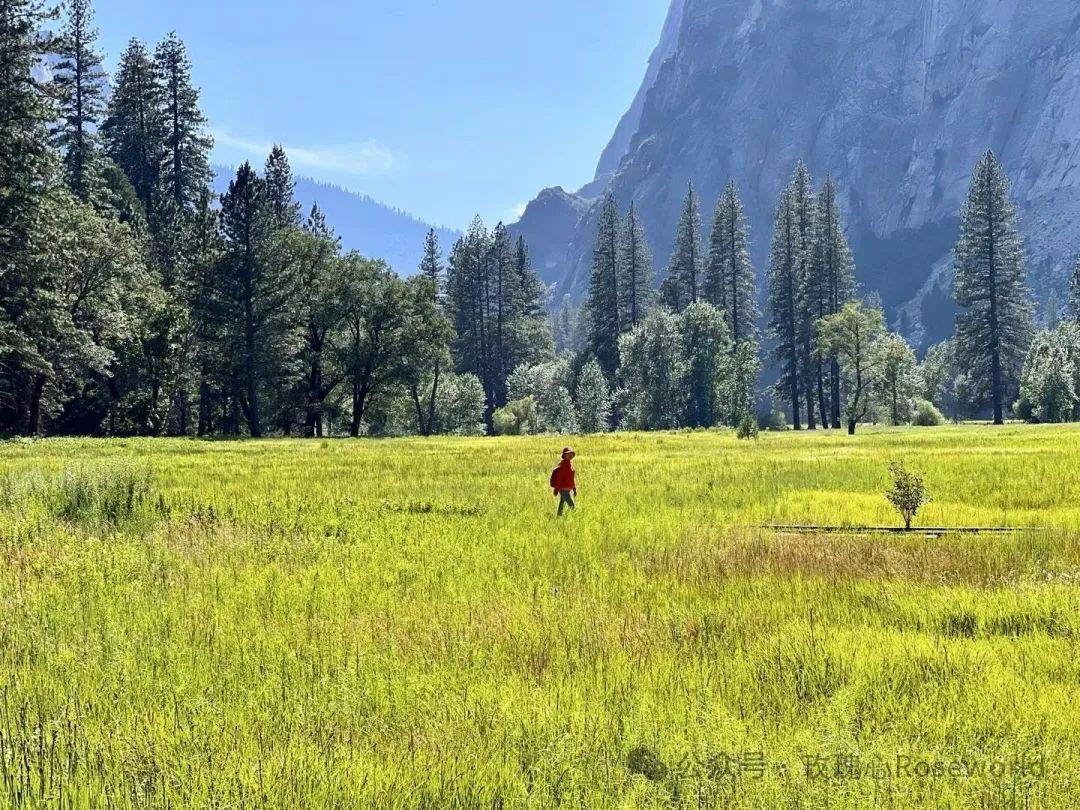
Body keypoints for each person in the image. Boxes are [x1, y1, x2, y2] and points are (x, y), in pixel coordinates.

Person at [551, 447, 577, 516]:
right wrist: (556, 490)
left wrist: (574, 489)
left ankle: (558, 517)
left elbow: (572, 478)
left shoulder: (571, 465)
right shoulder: (562, 466)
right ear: (564, 455)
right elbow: (559, 479)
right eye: (567, 454)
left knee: (561, 504)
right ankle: (576, 518)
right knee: (573, 507)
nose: (570, 455)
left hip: (568, 490)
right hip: (563, 490)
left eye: (571, 453)